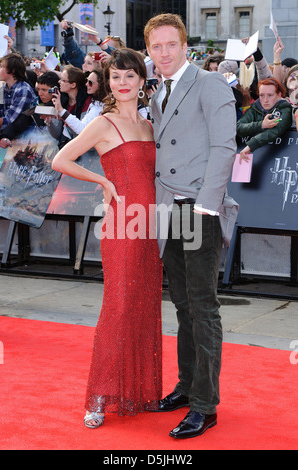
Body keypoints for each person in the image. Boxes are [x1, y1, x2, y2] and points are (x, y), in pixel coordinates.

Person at [51, 48, 163, 428]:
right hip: (121, 225)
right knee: (118, 306)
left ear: (142, 80)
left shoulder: (150, 125)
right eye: (115, 76)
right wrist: (102, 180)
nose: (123, 82)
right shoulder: (103, 123)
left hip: (150, 226)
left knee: (145, 304)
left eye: (129, 75)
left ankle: (140, 390)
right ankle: (99, 398)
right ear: (109, 82)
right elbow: (60, 160)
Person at [144, 13, 237, 439]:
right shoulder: (158, 92)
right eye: (156, 46)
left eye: (170, 44)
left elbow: (224, 147)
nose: (163, 52)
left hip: (199, 207)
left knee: (203, 307)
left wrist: (206, 205)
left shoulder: (210, 83)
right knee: (182, 304)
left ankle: (205, 404)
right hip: (169, 208)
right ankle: (186, 386)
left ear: (185, 46)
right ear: (149, 50)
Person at [237, 77, 293, 162]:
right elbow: (238, 127)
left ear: (279, 95)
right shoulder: (255, 107)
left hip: (279, 158)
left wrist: (250, 146)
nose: (265, 100)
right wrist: (262, 125)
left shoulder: (285, 108)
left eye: (270, 95)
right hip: (252, 158)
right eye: (261, 95)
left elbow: (275, 130)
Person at [45, 65, 90, 148]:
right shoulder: (63, 101)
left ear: (73, 85)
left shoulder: (87, 103)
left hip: (84, 152)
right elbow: (57, 134)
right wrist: (49, 121)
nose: (59, 82)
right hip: (66, 148)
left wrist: (64, 116)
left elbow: (81, 133)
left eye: (63, 80)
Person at [0, 53, 37, 148]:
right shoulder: (3, 88)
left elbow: (9, 120)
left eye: (2, 67)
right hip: (8, 137)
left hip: (25, 140)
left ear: (12, 71)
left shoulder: (23, 90)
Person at [52, 69, 105, 135]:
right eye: (86, 81)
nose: (86, 84)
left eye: (90, 83)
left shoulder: (99, 105)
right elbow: (57, 134)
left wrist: (61, 111)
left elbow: (82, 130)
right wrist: (49, 121)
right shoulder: (95, 103)